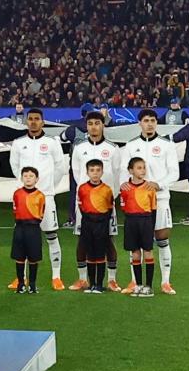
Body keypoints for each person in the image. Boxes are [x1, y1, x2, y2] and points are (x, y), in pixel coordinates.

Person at [9, 107, 69, 291]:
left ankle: (56, 276)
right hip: (25, 199)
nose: (34, 122)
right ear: (26, 121)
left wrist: (48, 187)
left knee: (51, 236)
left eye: (37, 119)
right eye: (31, 119)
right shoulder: (18, 143)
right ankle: (21, 278)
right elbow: (14, 166)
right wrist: (26, 185)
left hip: (46, 196)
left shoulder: (51, 142)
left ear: (43, 122)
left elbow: (60, 167)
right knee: (23, 239)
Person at [122, 108, 179, 295]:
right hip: (136, 203)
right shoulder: (130, 146)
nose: (149, 123)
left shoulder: (166, 145)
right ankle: (134, 282)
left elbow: (175, 173)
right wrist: (125, 186)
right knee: (136, 244)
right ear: (139, 123)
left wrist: (159, 184)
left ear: (156, 123)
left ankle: (165, 281)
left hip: (160, 199)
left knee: (162, 239)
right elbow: (124, 171)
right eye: (146, 120)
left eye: (153, 120)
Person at [68, 112, 123, 291]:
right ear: (86, 125)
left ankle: (112, 279)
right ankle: (83, 279)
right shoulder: (79, 148)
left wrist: (107, 198)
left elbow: (117, 175)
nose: (93, 127)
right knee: (82, 241)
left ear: (102, 125)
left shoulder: (113, 148)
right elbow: (77, 174)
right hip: (83, 205)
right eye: (90, 123)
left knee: (109, 240)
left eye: (97, 123)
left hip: (106, 204)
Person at [121, 156, 158, 298]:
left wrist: (152, 228)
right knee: (135, 252)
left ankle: (149, 286)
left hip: (146, 221)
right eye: (139, 168)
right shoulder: (125, 188)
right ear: (131, 170)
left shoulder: (150, 188)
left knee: (148, 251)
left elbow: (154, 208)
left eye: (143, 167)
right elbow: (123, 207)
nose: (142, 170)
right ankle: (138, 285)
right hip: (131, 221)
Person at [76, 159, 115, 293]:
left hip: (102, 224)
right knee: (90, 253)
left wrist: (101, 220)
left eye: (98, 170)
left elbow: (110, 207)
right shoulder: (82, 188)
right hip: (87, 223)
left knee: (100, 253)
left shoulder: (107, 189)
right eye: (92, 170)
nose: (95, 173)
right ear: (87, 172)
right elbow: (81, 206)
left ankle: (99, 284)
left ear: (102, 172)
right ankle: (91, 284)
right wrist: (89, 218)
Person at [11, 166, 46, 294]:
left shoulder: (40, 196)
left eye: (31, 176)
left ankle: (32, 284)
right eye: (25, 176)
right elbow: (15, 210)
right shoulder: (17, 193)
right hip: (20, 228)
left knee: (33, 257)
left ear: (36, 179)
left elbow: (41, 213)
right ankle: (20, 284)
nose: (28, 178)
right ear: (21, 178)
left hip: (33, 229)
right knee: (19, 257)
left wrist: (32, 222)